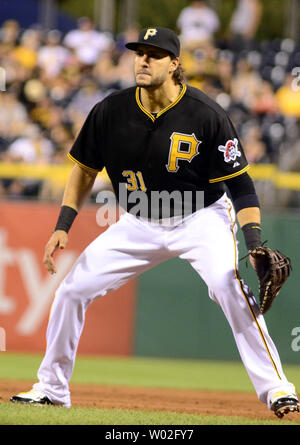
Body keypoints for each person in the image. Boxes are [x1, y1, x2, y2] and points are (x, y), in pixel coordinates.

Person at [10, 27, 299, 418]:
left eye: (155, 53)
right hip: (137, 222)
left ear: (175, 64)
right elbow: (83, 171)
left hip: (201, 217)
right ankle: (52, 388)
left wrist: (254, 243)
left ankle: (279, 390)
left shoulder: (207, 113)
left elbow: (242, 186)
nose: (143, 60)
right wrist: (63, 224)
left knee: (226, 285)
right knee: (71, 291)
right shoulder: (110, 110)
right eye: (139, 52)